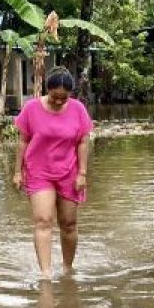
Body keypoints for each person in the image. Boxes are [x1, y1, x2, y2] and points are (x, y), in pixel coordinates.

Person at [13, 67, 93, 277]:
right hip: (39, 172)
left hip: (69, 172)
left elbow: (83, 142)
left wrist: (82, 173)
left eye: (64, 98)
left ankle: (67, 268)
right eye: (54, 97)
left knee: (68, 223)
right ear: (47, 89)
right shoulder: (31, 108)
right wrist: (17, 172)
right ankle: (46, 274)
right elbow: (22, 141)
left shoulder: (78, 109)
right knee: (43, 220)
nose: (59, 102)